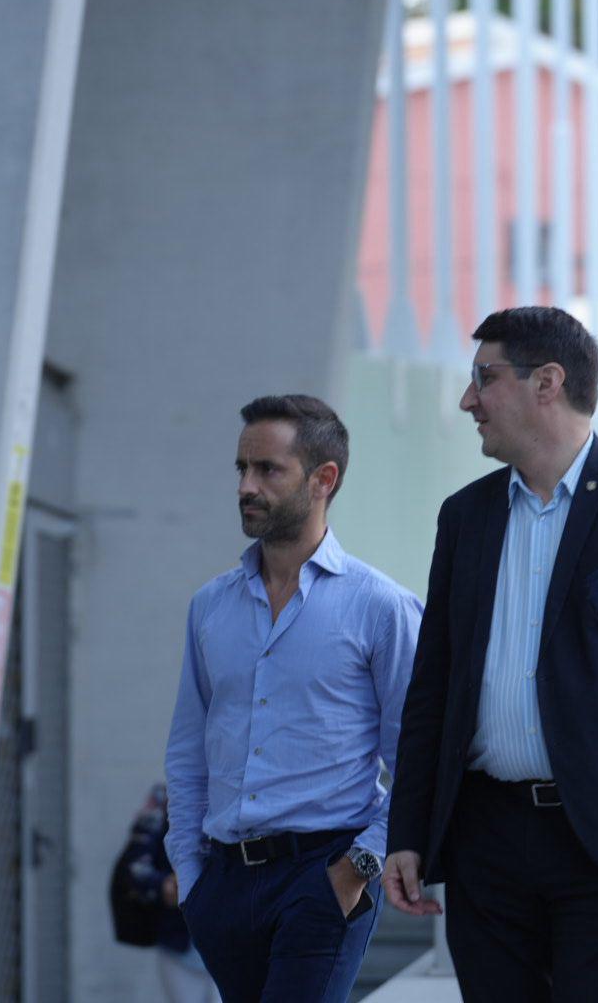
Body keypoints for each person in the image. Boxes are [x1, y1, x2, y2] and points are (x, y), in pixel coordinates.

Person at [383, 307, 598, 1003]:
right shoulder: (466, 517)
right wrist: (409, 832)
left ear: (547, 382)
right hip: (486, 843)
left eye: (484, 378)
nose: (467, 400)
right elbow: (434, 688)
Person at [164, 395, 423, 1002]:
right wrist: (192, 873)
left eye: (267, 470)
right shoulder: (211, 606)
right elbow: (187, 745)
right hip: (223, 884)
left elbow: (418, 758)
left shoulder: (381, 607)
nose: (246, 486)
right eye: (241, 469)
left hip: (322, 876)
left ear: (323, 479)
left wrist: (356, 869)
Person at [108, 783, 222, 1003]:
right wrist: (164, 885)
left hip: (232, 939)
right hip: (179, 943)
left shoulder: (242, 793)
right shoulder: (164, 799)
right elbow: (134, 867)